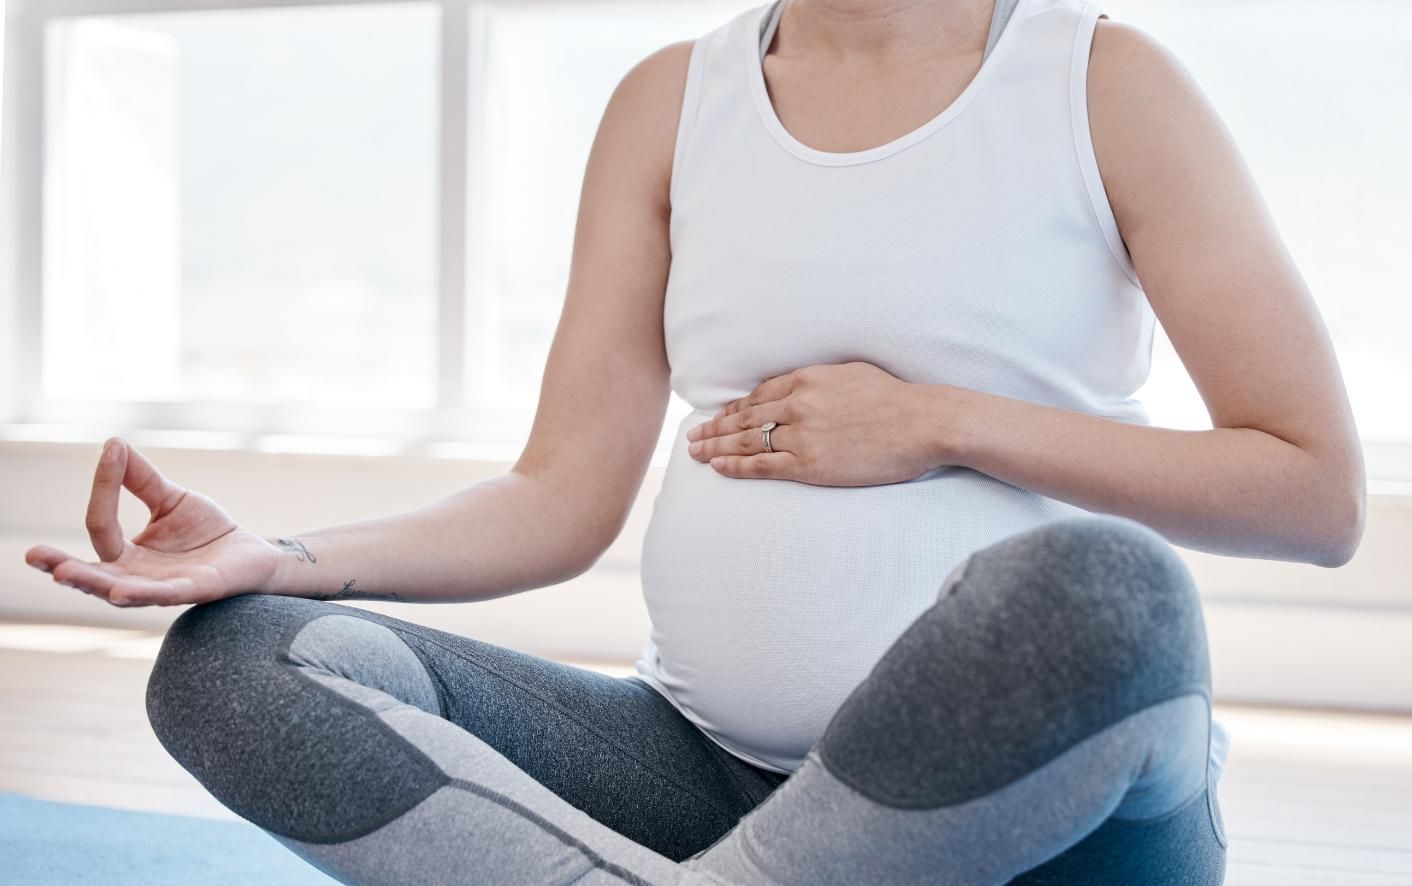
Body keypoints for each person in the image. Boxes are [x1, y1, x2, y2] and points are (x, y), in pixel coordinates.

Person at [25, 0, 1364, 882]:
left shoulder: (1101, 80)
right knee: (240, 660)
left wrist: (940, 420)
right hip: (704, 774)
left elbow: (1312, 490)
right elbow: (560, 491)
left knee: (1107, 594)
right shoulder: (675, 100)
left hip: (1040, 825)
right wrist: (284, 553)